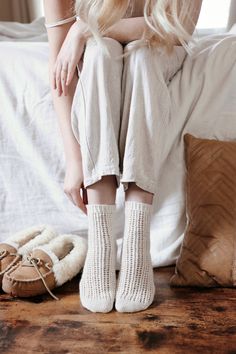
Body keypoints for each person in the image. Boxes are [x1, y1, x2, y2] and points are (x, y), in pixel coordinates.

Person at [43, 0, 203, 313]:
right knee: (102, 54)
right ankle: (100, 242)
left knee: (142, 56)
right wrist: (75, 161)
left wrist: (85, 28)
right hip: (100, 55)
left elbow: (176, 29)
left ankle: (136, 241)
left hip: (161, 46)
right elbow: (60, 72)